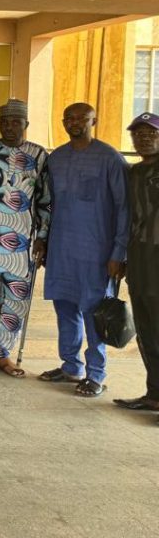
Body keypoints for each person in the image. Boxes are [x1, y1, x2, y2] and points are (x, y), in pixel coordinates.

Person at [38, 103, 128, 397]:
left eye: (82, 118)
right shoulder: (56, 158)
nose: (75, 122)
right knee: (65, 307)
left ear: (94, 121)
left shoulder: (110, 158)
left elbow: (124, 208)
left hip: (96, 251)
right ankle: (70, 366)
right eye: (69, 118)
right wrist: (43, 241)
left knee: (94, 312)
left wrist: (119, 253)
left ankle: (96, 374)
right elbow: (47, 204)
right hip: (62, 248)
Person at [0, 99, 50, 377]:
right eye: (5, 122)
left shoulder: (39, 155)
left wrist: (43, 237)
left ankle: (4, 354)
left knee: (16, 298)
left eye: (16, 122)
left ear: (26, 124)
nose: (10, 127)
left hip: (23, 241)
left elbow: (46, 200)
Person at [115, 112, 159, 416]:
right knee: (146, 329)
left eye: (151, 134)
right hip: (140, 259)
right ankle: (154, 394)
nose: (144, 139)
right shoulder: (133, 172)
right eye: (138, 134)